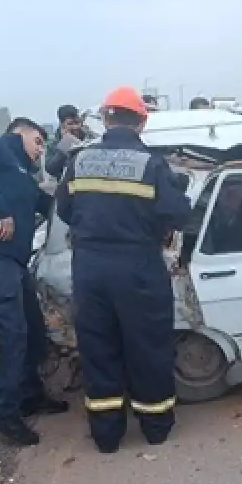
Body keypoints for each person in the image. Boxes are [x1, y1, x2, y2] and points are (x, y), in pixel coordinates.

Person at [55, 87, 191, 454]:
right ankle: (155, 427)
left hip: (89, 268)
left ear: (105, 119)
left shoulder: (79, 160)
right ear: (142, 121)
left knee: (98, 348)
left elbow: (65, 210)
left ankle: (107, 436)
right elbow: (179, 214)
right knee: (147, 346)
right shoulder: (151, 164)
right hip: (137, 267)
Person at [0, 118, 69, 446]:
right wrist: (1, 210)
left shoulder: (24, 176)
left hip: (15, 263)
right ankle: (3, 413)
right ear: (22, 133)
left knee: (34, 331)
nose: (40, 150)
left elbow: (48, 207)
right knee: (13, 333)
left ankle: (31, 394)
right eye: (38, 142)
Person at [44, 105, 89, 179]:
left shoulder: (89, 139)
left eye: (77, 123)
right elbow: (50, 169)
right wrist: (65, 145)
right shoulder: (53, 144)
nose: (75, 127)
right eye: (70, 124)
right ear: (62, 125)